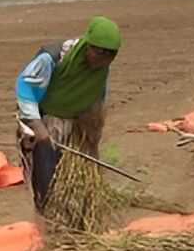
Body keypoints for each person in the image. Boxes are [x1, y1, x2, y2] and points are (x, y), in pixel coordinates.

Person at [15, 16, 121, 212]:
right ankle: (50, 221)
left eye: (110, 56)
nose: (103, 60)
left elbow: (97, 96)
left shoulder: (101, 70)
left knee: (77, 183)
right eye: (99, 53)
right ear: (88, 45)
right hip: (45, 123)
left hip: (76, 126)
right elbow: (24, 86)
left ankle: (76, 219)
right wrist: (38, 128)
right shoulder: (53, 57)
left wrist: (91, 134)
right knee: (47, 178)